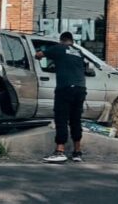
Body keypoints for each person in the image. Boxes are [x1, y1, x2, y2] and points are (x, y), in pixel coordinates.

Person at [35, 32, 86, 163]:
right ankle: (77, 152)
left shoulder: (59, 48)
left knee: (61, 118)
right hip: (80, 89)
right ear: (72, 41)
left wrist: (39, 53)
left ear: (62, 40)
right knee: (76, 119)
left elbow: (39, 55)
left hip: (65, 88)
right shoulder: (78, 52)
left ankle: (60, 151)